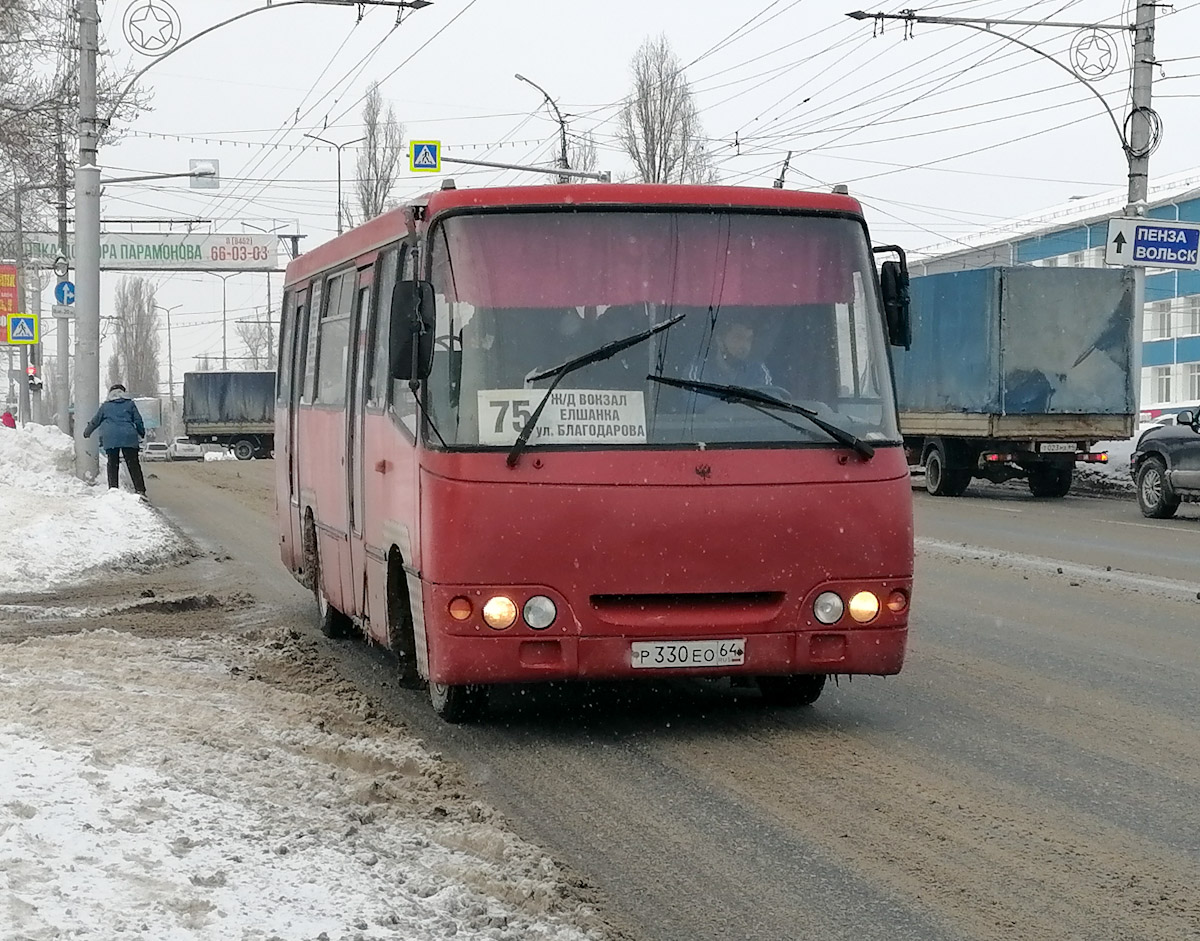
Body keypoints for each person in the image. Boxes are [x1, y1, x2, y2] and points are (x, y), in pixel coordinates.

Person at [83, 383, 147, 495]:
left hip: (111, 437)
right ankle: (140, 490)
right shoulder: (130, 404)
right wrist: (141, 432)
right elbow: (138, 420)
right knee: (133, 464)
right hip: (128, 436)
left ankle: (113, 489)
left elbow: (95, 421)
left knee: (113, 464)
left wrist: (87, 432)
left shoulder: (105, 406)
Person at [692, 319, 773, 388]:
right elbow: (696, 403)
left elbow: (765, 404)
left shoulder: (758, 371)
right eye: (738, 338)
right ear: (720, 341)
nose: (745, 346)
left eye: (749, 339)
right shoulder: (700, 369)